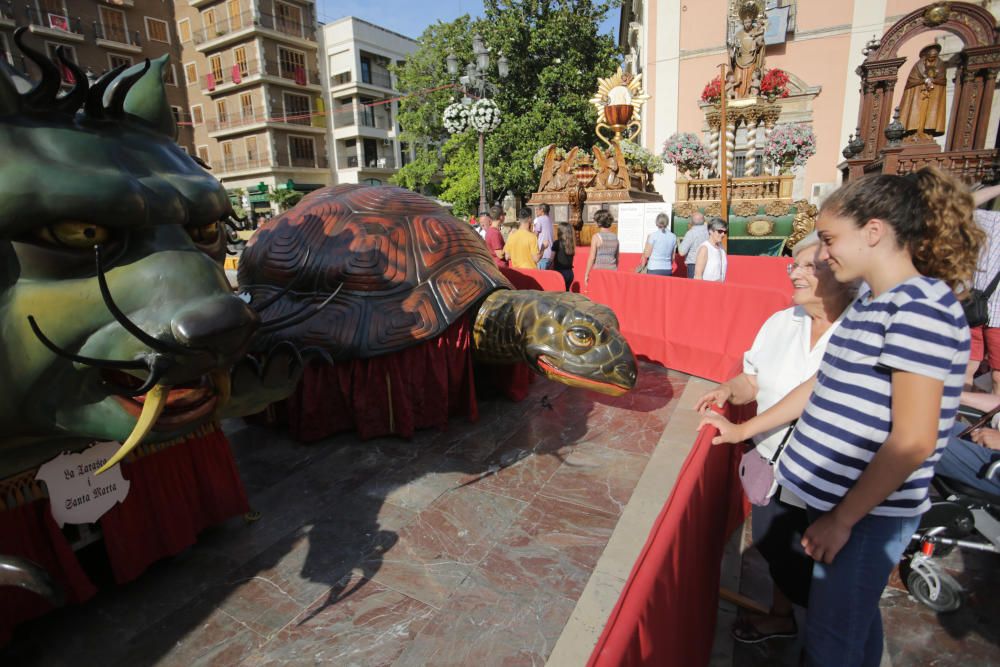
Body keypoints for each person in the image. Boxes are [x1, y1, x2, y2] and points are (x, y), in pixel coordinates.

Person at [700, 167, 983, 667]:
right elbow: (821, 385)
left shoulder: (920, 308)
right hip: (838, 506)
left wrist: (843, 519)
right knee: (848, 625)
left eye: (830, 239)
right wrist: (743, 428)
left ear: (874, 232)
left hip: (866, 515)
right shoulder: (876, 303)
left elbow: (914, 439)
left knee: (831, 644)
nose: (824, 254)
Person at [694, 231, 857, 643]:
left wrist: (742, 430)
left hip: (833, 475)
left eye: (809, 266)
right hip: (774, 461)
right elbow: (753, 378)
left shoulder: (863, 329)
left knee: (828, 570)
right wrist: (730, 390)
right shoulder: (782, 322)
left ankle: (822, 636)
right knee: (776, 548)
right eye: (793, 265)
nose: (795, 274)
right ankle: (783, 617)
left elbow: (819, 395)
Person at [966, 182, 1000, 392]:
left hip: (998, 312)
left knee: (998, 376)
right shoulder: (987, 219)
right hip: (972, 304)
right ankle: (957, 422)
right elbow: (961, 205)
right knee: (964, 369)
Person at [898, 44, 948, 140]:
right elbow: (911, 80)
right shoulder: (918, 65)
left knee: (929, 114)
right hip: (918, 94)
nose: (932, 59)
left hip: (932, 95)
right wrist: (923, 81)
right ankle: (913, 133)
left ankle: (925, 132)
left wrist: (932, 81)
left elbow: (942, 80)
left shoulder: (940, 65)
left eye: (934, 57)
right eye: (930, 56)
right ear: (926, 55)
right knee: (916, 112)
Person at [730, 2, 766, 99]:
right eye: (745, 22)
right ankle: (738, 97)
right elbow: (734, 47)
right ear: (742, 22)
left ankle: (750, 95)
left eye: (749, 22)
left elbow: (761, 44)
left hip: (751, 60)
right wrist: (733, 51)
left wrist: (759, 43)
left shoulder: (756, 31)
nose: (747, 24)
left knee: (751, 78)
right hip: (740, 60)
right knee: (738, 79)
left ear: (752, 21)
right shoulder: (738, 34)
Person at [584, 209, 619, 287]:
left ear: (600, 221)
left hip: (599, 272)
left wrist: (587, 274)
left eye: (595, 220)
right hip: (613, 271)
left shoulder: (596, 237)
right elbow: (617, 257)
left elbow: (592, 258)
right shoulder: (615, 237)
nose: (594, 222)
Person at [678, 211, 709, 278]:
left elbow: (681, 252)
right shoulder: (709, 232)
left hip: (694, 265)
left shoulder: (691, 233)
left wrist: (678, 242)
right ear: (704, 220)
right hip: (708, 263)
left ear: (691, 221)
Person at [551, 221, 576, 290]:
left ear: (560, 232)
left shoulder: (557, 243)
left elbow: (551, 259)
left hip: (559, 273)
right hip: (570, 273)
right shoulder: (571, 244)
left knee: (558, 294)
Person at [533, 204, 555, 270]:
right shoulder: (550, 220)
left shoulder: (539, 219)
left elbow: (534, 236)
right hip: (550, 254)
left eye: (538, 209)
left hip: (543, 254)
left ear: (542, 210)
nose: (536, 211)